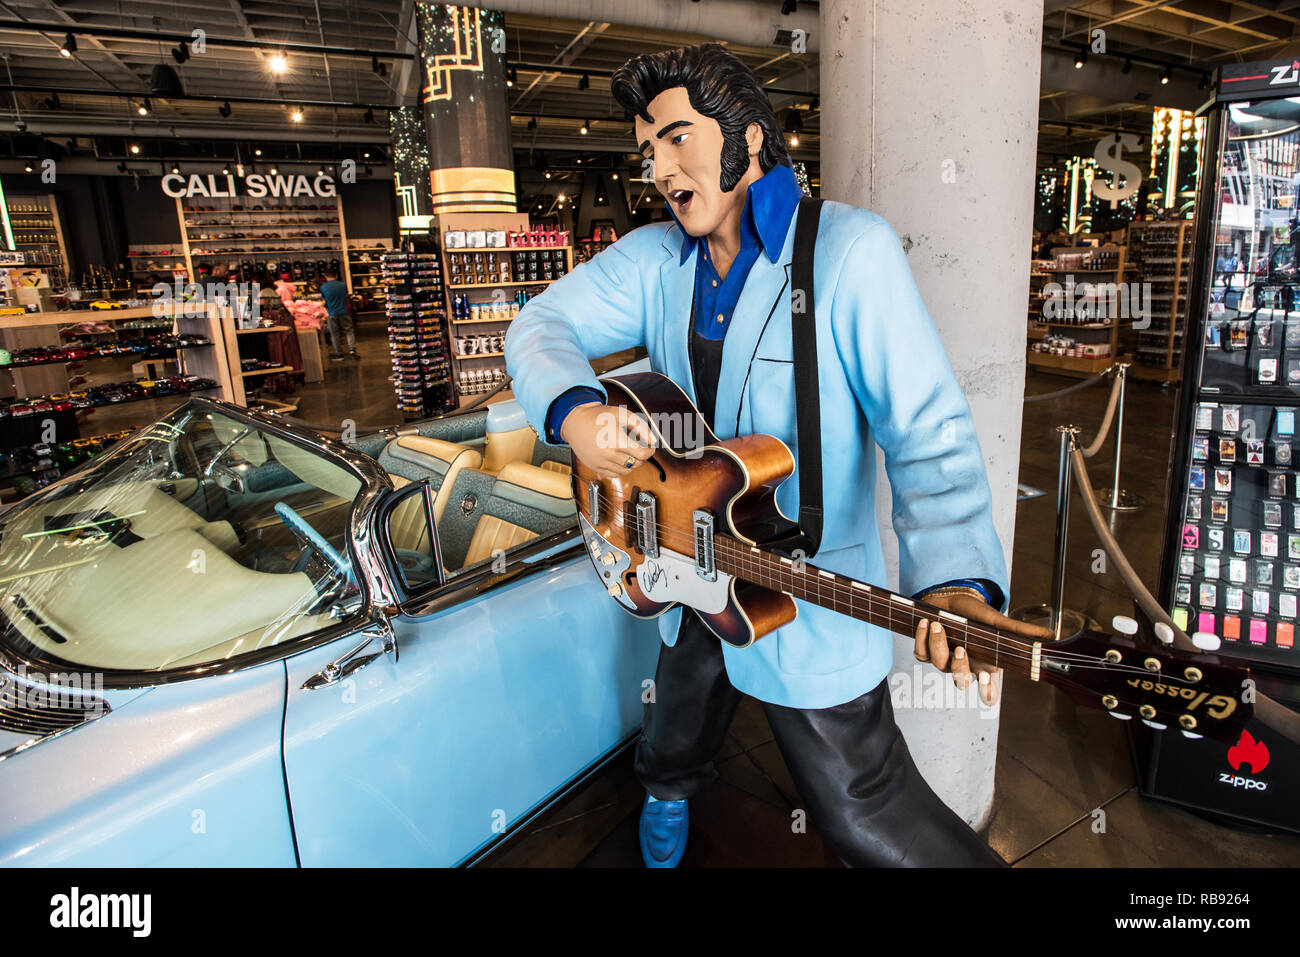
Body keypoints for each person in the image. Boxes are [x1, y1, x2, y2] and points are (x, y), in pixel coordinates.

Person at [505, 43, 1051, 868]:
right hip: (680, 560)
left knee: (863, 810)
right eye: (650, 147)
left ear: (749, 139)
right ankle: (667, 791)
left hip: (807, 590)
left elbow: (927, 428)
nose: (660, 166)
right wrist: (576, 412)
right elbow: (540, 325)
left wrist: (956, 581)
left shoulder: (849, 252)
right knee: (676, 717)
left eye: (679, 138)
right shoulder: (657, 260)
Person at [319, 269, 357, 360]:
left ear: (326, 277)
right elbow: (346, 296)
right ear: (336, 276)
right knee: (349, 331)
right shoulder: (343, 285)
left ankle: (339, 353)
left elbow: (323, 299)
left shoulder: (323, 287)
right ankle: (352, 350)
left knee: (334, 333)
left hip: (331, 313)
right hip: (344, 311)